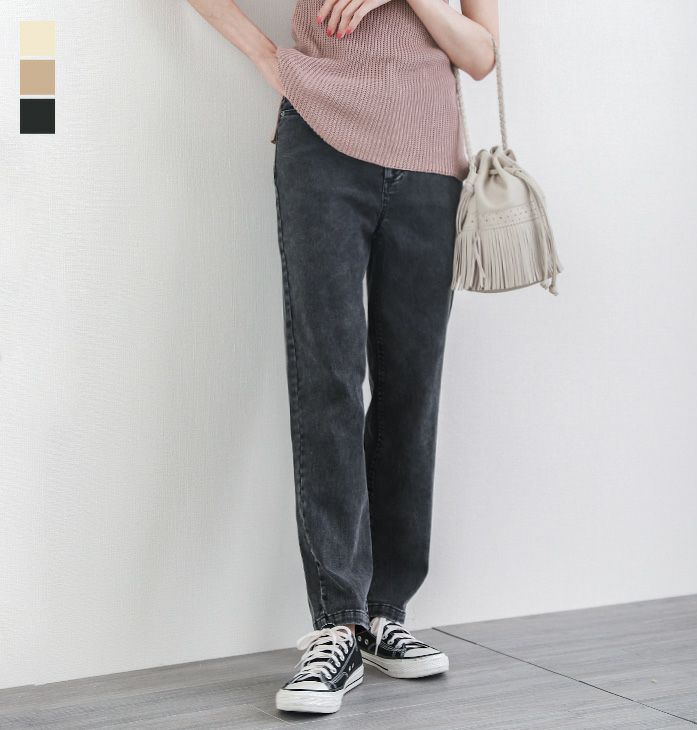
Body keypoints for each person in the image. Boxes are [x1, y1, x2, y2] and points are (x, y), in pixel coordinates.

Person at [187, 0, 498, 714]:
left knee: (411, 387)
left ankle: (386, 612)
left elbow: (481, 55)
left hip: (430, 160)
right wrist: (268, 59)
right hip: (321, 146)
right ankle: (337, 624)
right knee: (327, 377)